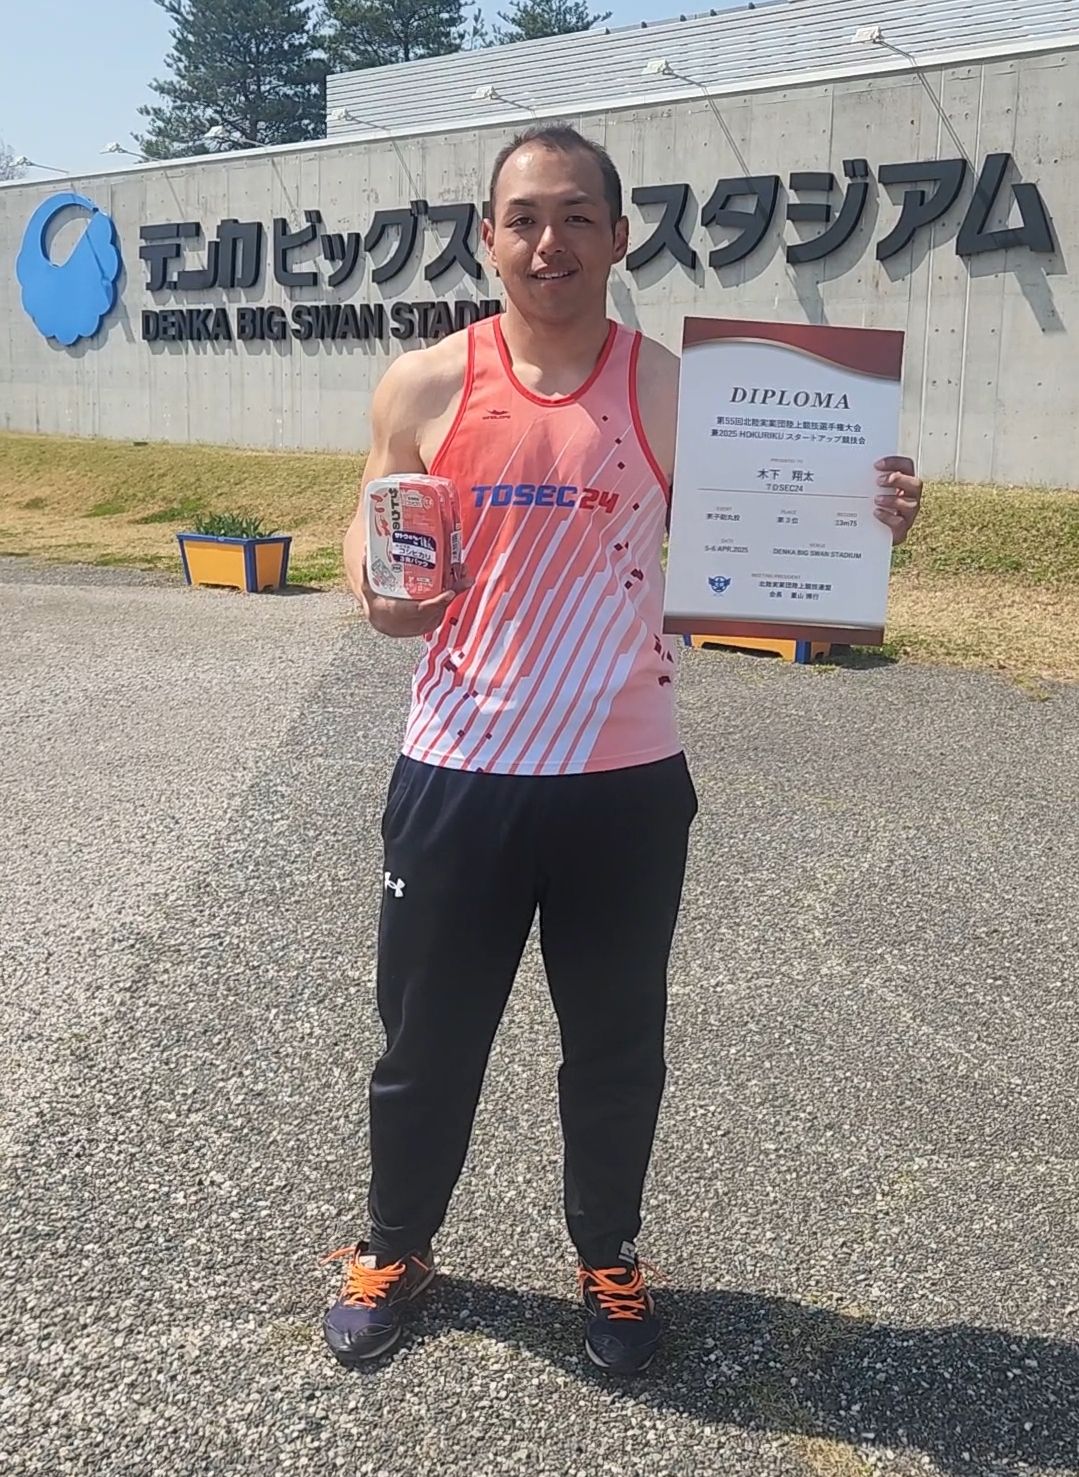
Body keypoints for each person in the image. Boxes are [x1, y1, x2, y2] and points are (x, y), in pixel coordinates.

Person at [327, 124, 923, 1374]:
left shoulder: (674, 389)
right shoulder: (422, 385)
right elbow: (373, 542)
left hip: (623, 781)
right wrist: (377, 593)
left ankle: (606, 1256)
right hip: (458, 766)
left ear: (617, 235)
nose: (548, 241)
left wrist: (863, 519)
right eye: (523, 218)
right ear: (487, 237)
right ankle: (397, 1243)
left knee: (612, 1044)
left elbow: (776, 524)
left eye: (575, 216)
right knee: (426, 1038)